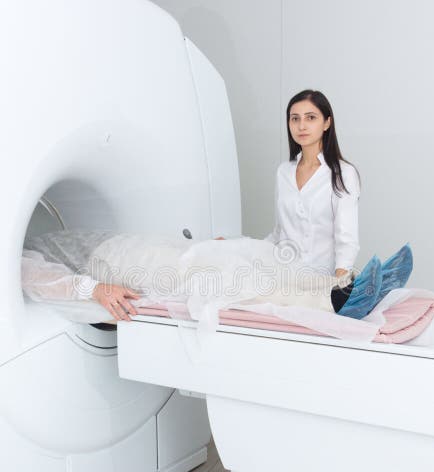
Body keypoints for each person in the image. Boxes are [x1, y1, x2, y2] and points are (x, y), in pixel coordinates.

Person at [21, 230, 413, 322]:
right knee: (218, 277)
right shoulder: (12, 253)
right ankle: (338, 300)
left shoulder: (34, 232)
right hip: (110, 265)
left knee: (241, 255)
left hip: (126, 251)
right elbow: (37, 277)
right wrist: (95, 289)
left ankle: (343, 286)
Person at [265, 89, 360, 279]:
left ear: (326, 123)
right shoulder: (283, 172)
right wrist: (236, 247)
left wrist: (338, 285)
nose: (301, 126)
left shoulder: (342, 174)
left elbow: (346, 238)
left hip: (321, 279)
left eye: (310, 118)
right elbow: (279, 233)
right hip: (282, 276)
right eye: (295, 119)